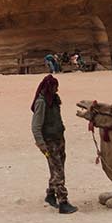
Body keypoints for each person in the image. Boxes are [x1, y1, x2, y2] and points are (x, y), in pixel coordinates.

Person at [31, 74, 77, 214]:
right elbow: (36, 126)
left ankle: (50, 195)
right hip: (49, 141)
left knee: (58, 167)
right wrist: (41, 144)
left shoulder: (54, 101)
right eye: (55, 87)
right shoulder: (42, 102)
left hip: (59, 139)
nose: (57, 90)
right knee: (58, 171)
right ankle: (63, 201)